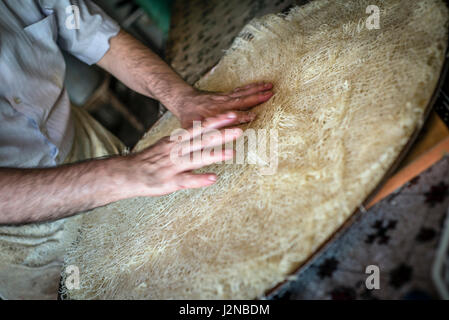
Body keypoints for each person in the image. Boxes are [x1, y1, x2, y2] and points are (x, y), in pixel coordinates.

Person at [0, 0, 273, 299]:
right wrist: (127, 172)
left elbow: (99, 36)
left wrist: (181, 98)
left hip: (87, 147)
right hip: (16, 234)